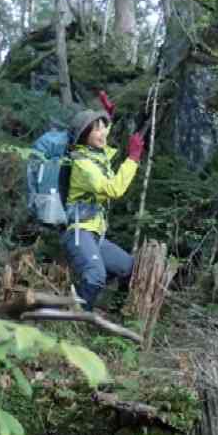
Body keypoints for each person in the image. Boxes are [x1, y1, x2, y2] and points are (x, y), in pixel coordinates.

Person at [61, 91, 144, 312]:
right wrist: (133, 159)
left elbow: (103, 139)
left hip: (96, 235)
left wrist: (109, 116)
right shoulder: (83, 164)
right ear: (84, 135)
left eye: (102, 127)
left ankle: (119, 313)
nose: (102, 132)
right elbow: (113, 189)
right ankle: (76, 320)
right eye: (96, 129)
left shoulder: (96, 156)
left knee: (129, 268)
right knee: (95, 275)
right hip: (79, 231)